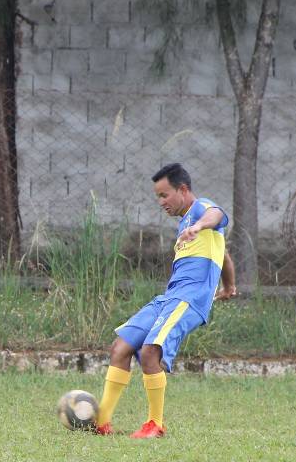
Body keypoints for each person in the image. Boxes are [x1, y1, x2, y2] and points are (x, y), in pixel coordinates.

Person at [95, 163, 237, 438]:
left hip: (189, 299)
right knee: (120, 347)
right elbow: (224, 255)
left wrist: (198, 225)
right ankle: (102, 421)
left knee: (151, 352)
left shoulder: (201, 209)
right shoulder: (188, 225)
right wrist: (229, 286)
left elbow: (216, 213)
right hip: (169, 297)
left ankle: (155, 424)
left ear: (182, 190)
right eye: (158, 197)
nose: (161, 202)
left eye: (164, 195)